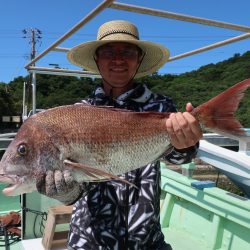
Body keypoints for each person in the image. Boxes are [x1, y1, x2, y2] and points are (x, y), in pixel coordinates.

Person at [37, 20, 202, 250]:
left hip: (146, 240)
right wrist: (65, 192)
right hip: (89, 241)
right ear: (96, 59)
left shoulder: (161, 107)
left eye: (128, 51)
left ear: (139, 59)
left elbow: (179, 157)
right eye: (108, 51)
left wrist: (186, 144)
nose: (118, 59)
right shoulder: (78, 113)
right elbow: (76, 189)